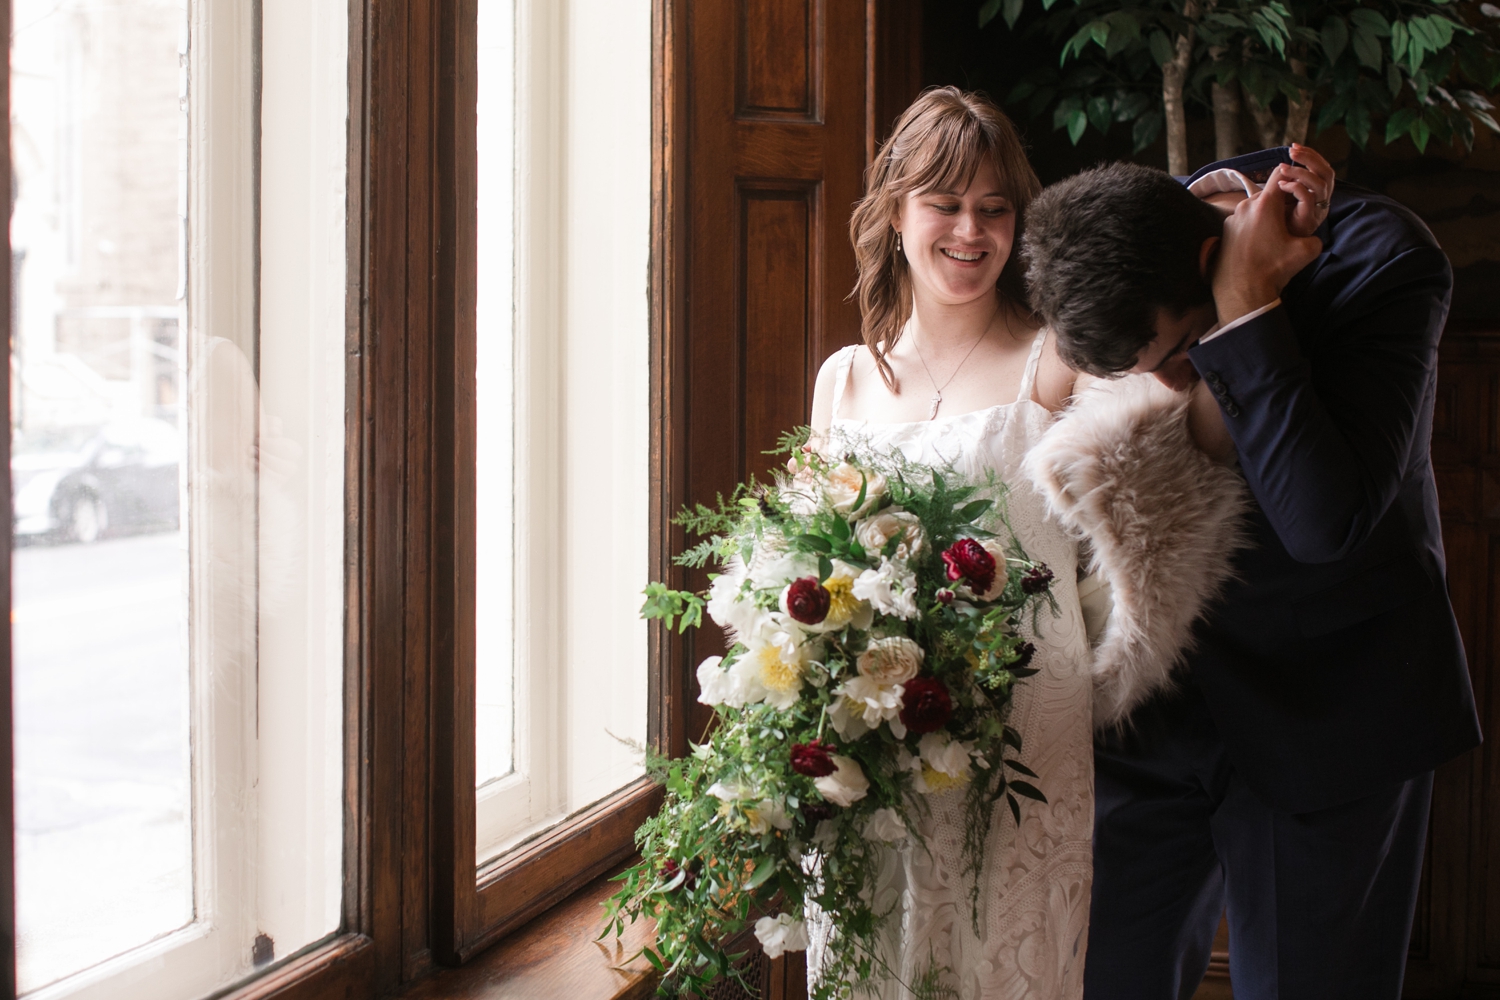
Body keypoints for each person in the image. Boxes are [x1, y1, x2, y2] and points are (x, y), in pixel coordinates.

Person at [1022, 149, 1483, 999]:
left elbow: (1324, 522)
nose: (1167, 382)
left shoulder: (1381, 256)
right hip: (1154, 711)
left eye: (1178, 350)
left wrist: (1244, 308)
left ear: (1208, 261)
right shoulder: (1130, 233)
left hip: (1328, 708)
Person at [805, 85, 1094, 1000]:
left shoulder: (1058, 359)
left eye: (994, 209)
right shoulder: (844, 380)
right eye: (944, 203)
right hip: (870, 741)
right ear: (896, 214)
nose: (970, 231)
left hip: (1018, 736)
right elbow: (806, 567)